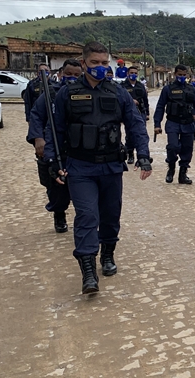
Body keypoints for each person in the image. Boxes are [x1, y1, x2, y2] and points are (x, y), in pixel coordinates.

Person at [44, 41, 153, 295]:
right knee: (86, 216)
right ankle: (88, 270)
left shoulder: (118, 93)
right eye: (95, 63)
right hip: (80, 167)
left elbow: (135, 125)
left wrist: (144, 155)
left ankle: (108, 254)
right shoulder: (67, 94)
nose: (101, 68)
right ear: (84, 63)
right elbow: (55, 130)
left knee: (110, 215)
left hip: (112, 166)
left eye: (105, 63)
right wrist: (52, 161)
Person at [26, 59, 82, 233]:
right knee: (57, 188)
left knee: (82, 188)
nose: (72, 78)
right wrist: (38, 139)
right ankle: (59, 213)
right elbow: (36, 116)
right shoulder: (50, 93)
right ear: (60, 74)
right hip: (55, 146)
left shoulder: (84, 93)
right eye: (68, 74)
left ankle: (84, 220)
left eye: (76, 75)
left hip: (78, 148)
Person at [154, 65, 195, 185]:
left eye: (184, 75)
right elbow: (160, 107)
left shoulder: (192, 89)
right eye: (180, 75)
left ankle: (183, 173)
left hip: (188, 123)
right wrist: (157, 124)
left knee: (187, 149)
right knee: (172, 147)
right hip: (173, 122)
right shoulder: (167, 89)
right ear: (174, 74)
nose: (182, 77)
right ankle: (171, 167)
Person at [122, 66, 149, 163]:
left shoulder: (140, 85)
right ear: (128, 74)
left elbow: (145, 99)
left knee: (141, 134)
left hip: (140, 112)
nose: (133, 75)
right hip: (128, 114)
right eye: (131, 73)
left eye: (135, 73)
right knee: (130, 134)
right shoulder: (123, 86)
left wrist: (147, 113)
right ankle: (130, 154)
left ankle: (143, 156)